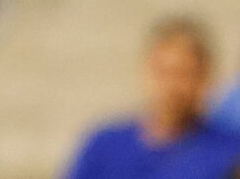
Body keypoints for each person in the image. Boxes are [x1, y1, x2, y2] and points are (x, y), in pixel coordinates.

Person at [65, 19, 240, 179]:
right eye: (164, 72)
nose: (172, 86)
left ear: (205, 77)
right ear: (146, 71)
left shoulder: (229, 152)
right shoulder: (103, 146)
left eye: (185, 73)